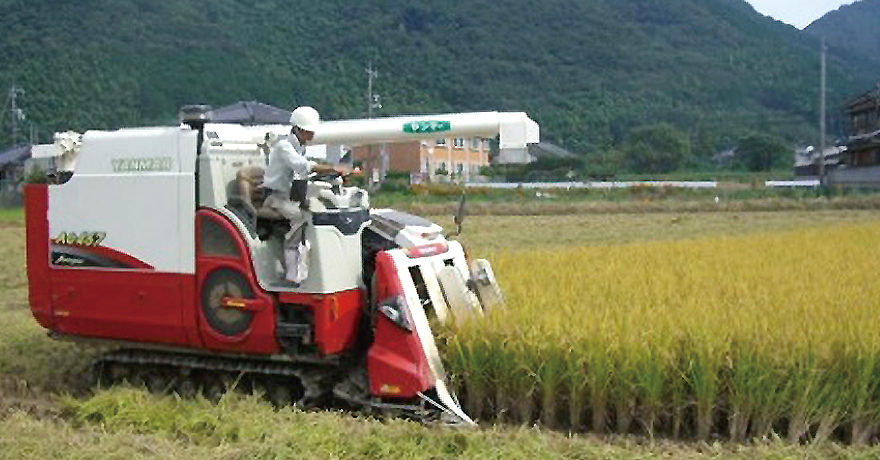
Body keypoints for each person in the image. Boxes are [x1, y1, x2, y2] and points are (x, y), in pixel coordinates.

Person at [261, 106, 345, 283]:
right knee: (299, 217)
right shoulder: (284, 146)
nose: (312, 135)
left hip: (288, 195)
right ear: (298, 129)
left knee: (315, 207)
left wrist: (330, 175)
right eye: (309, 131)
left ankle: (302, 264)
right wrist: (332, 167)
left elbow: (304, 173)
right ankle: (291, 273)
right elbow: (302, 166)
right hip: (274, 198)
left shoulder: (299, 147)